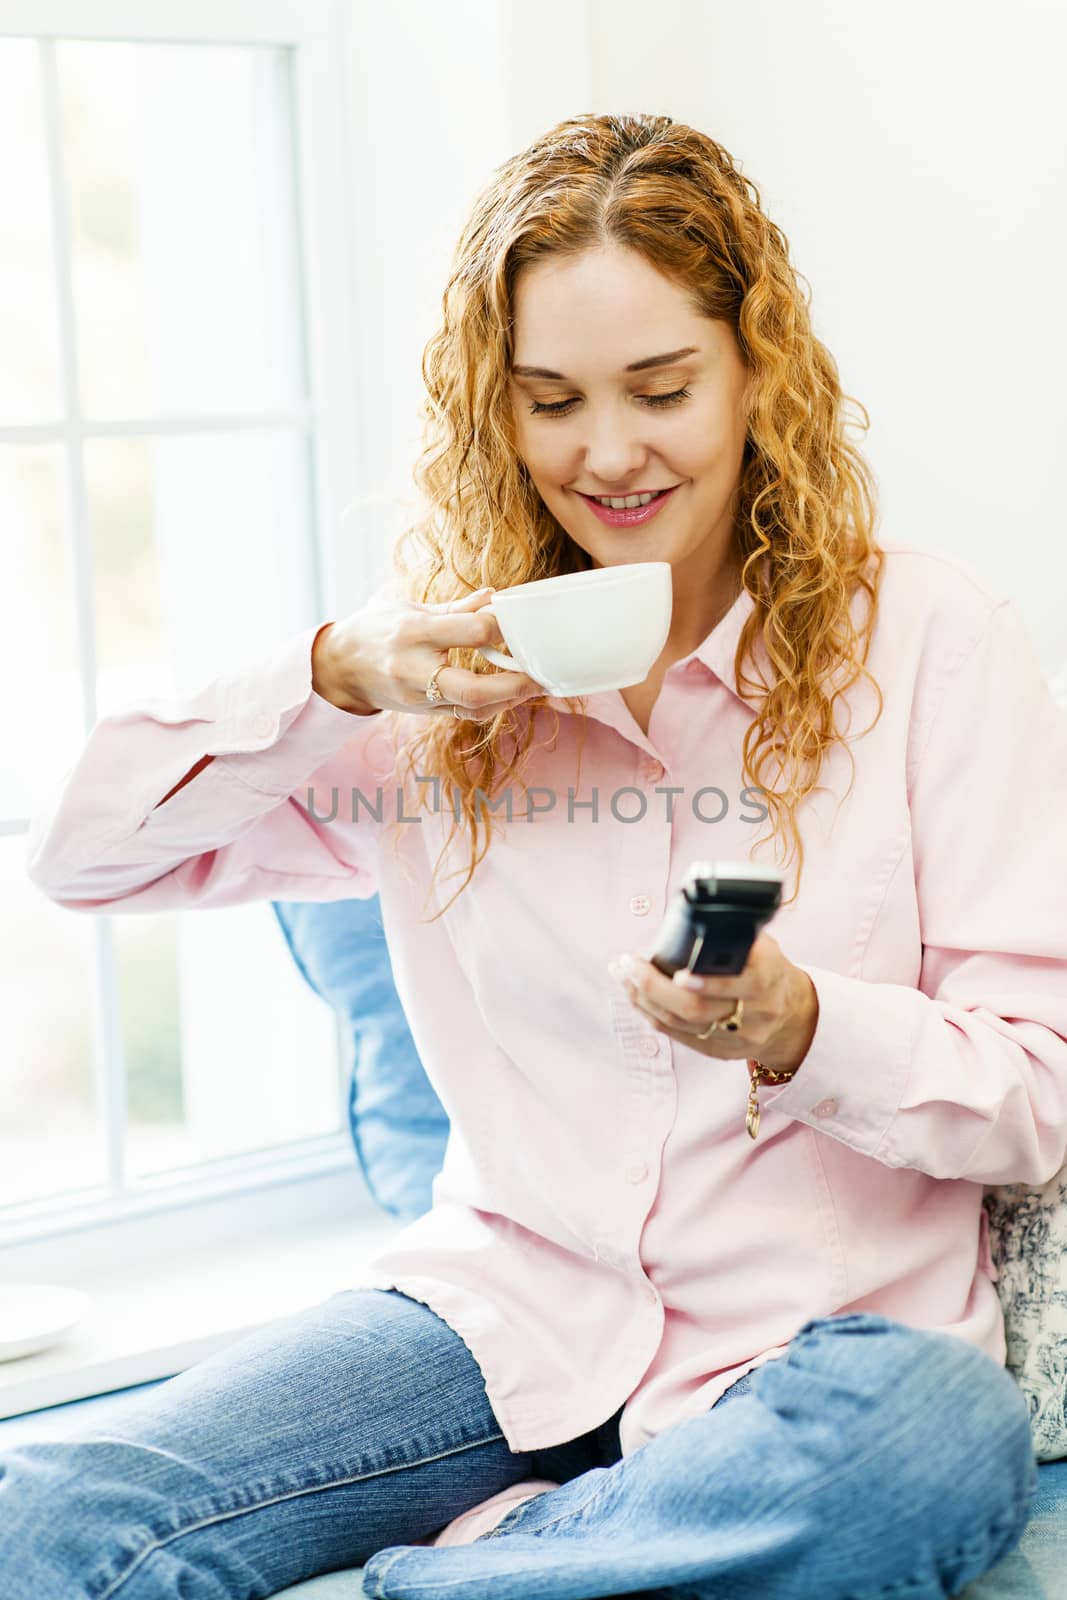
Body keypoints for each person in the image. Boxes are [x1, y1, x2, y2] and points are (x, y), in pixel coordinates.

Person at [3, 110, 1062, 1600]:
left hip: (810, 1363)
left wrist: (801, 1027)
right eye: (550, 399)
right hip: (498, 1318)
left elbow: (1043, 1091)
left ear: (758, 370)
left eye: (662, 388)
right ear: (491, 408)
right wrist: (333, 675)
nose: (608, 452)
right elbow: (81, 856)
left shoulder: (934, 648)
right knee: (45, 1510)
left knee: (934, 1444)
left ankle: (462, 1578)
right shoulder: (434, 672)